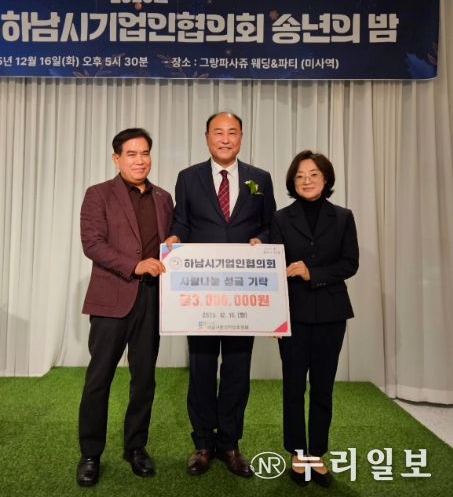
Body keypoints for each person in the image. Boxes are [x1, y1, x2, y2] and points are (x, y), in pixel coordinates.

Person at [165, 112, 276, 478]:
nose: (225, 139)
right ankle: (202, 443)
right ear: (207, 137)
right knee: (200, 368)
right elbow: (182, 221)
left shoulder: (260, 179)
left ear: (241, 137)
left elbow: (269, 225)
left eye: (232, 132)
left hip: (242, 293)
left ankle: (229, 444)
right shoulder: (188, 177)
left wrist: (262, 240)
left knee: (237, 369)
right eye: (218, 132)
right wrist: (175, 238)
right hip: (202, 293)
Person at [76, 128, 173, 487]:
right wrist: (135, 265)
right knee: (99, 379)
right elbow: (92, 243)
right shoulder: (98, 194)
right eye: (131, 154)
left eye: (145, 153)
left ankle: (136, 447)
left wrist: (175, 242)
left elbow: (170, 241)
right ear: (116, 159)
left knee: (144, 379)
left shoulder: (163, 197)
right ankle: (90, 454)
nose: (140, 160)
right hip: (111, 299)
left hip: (152, 299)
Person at [270, 150, 359, 488]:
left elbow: (350, 263)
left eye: (313, 175)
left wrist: (312, 273)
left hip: (332, 314)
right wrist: (273, 317)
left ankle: (317, 454)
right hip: (292, 315)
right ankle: (297, 454)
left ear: (326, 179)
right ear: (292, 182)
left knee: (323, 387)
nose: (306, 181)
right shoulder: (280, 219)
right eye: (300, 176)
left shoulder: (344, 217)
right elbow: (273, 270)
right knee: (293, 387)